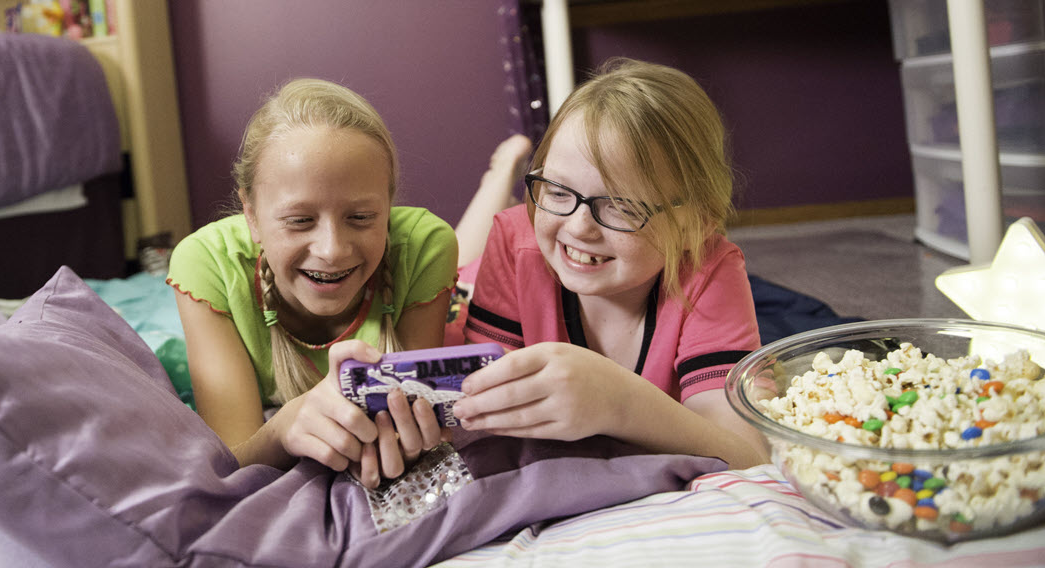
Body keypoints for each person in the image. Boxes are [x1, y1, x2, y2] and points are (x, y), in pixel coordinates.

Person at [452, 58, 769, 469]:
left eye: (621, 205)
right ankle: (498, 177)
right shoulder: (516, 240)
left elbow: (748, 454)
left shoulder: (711, 269)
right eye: (558, 190)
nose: (580, 227)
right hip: (482, 280)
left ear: (696, 222)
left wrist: (620, 402)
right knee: (456, 266)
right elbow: (473, 410)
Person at [167, 78, 459, 488]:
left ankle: (497, 176)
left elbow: (410, 417)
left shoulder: (425, 246)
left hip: (445, 287)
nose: (332, 250)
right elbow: (232, 460)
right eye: (300, 221)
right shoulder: (206, 264)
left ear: (389, 207)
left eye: (361, 218)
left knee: (475, 251)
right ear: (250, 214)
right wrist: (282, 429)